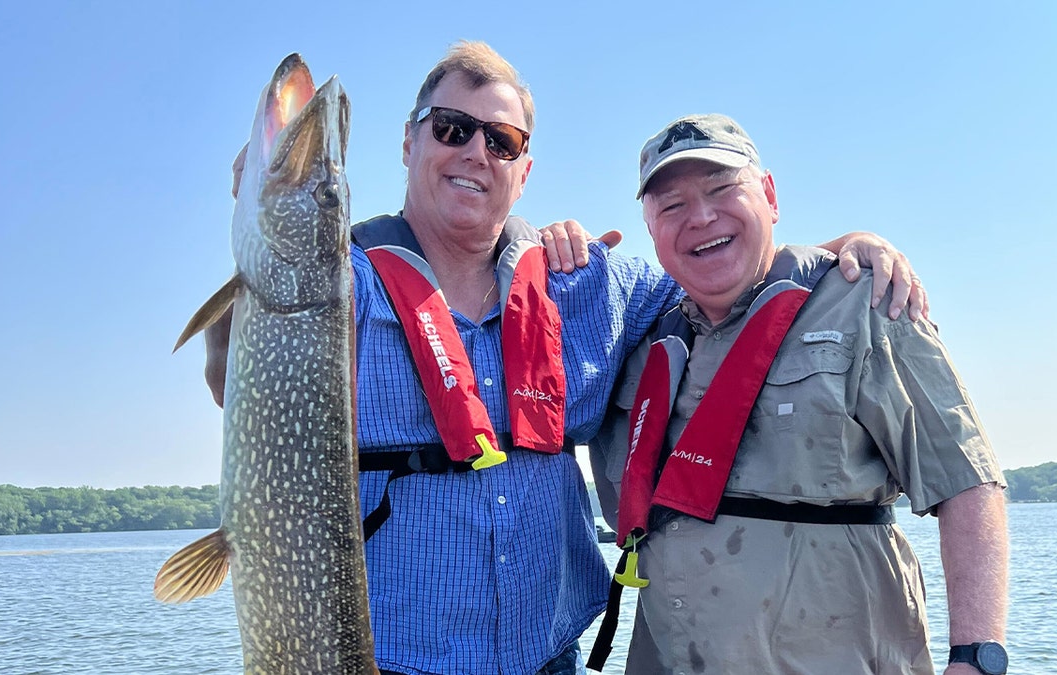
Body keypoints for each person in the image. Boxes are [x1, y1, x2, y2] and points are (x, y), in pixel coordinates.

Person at [203, 44, 927, 675]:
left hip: (549, 660)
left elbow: (722, 277)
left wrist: (845, 247)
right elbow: (230, 381)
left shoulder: (587, 285)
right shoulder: (337, 282)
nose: (474, 152)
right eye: (451, 128)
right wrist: (253, 264)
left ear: (524, 170)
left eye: (502, 140)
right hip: (384, 658)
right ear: (409, 143)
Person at [588, 114, 1009, 675]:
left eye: (721, 189)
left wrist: (976, 660)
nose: (702, 217)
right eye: (672, 206)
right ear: (650, 229)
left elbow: (967, 484)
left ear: (769, 194)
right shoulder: (644, 338)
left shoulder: (867, 302)